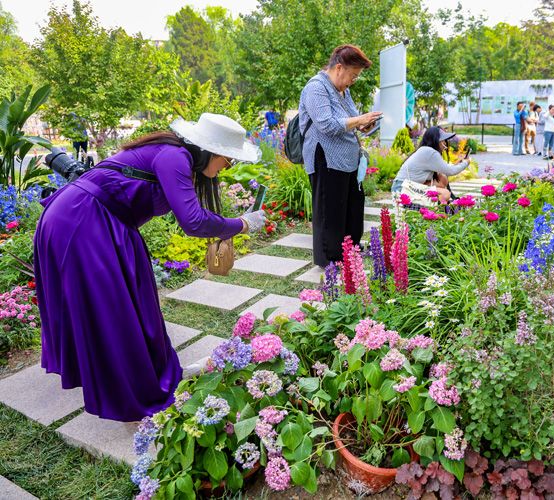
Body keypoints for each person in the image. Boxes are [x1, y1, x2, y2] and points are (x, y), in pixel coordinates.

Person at [34, 113, 267, 422]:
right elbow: (193, 221)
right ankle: (133, 391)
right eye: (229, 160)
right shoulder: (175, 157)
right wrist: (242, 224)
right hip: (81, 222)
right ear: (212, 150)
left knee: (134, 305)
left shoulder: (176, 157)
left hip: (99, 221)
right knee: (116, 311)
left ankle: (142, 376)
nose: (228, 167)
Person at [298, 44, 381, 267]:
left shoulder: (343, 90)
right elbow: (326, 124)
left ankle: (350, 250)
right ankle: (330, 260)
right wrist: (358, 121)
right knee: (330, 210)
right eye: (352, 75)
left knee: (352, 207)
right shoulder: (316, 87)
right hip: (325, 158)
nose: (353, 80)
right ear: (338, 68)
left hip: (347, 159)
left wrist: (365, 124)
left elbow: (352, 118)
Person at [391, 127, 469, 204]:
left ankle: (435, 207)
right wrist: (466, 162)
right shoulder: (430, 152)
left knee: (442, 179)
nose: (445, 143)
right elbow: (451, 171)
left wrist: (459, 162)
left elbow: (446, 169)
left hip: (405, 185)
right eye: (443, 140)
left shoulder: (425, 150)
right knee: (445, 194)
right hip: (402, 189)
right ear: (436, 140)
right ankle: (434, 213)